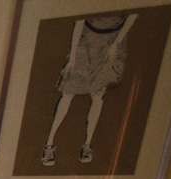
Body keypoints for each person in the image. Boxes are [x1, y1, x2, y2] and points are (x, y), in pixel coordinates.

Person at [42, 14, 137, 167]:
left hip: (112, 41)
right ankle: (49, 144)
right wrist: (72, 55)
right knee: (68, 93)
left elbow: (133, 14)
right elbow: (80, 18)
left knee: (98, 95)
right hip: (86, 40)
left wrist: (116, 44)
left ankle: (87, 145)